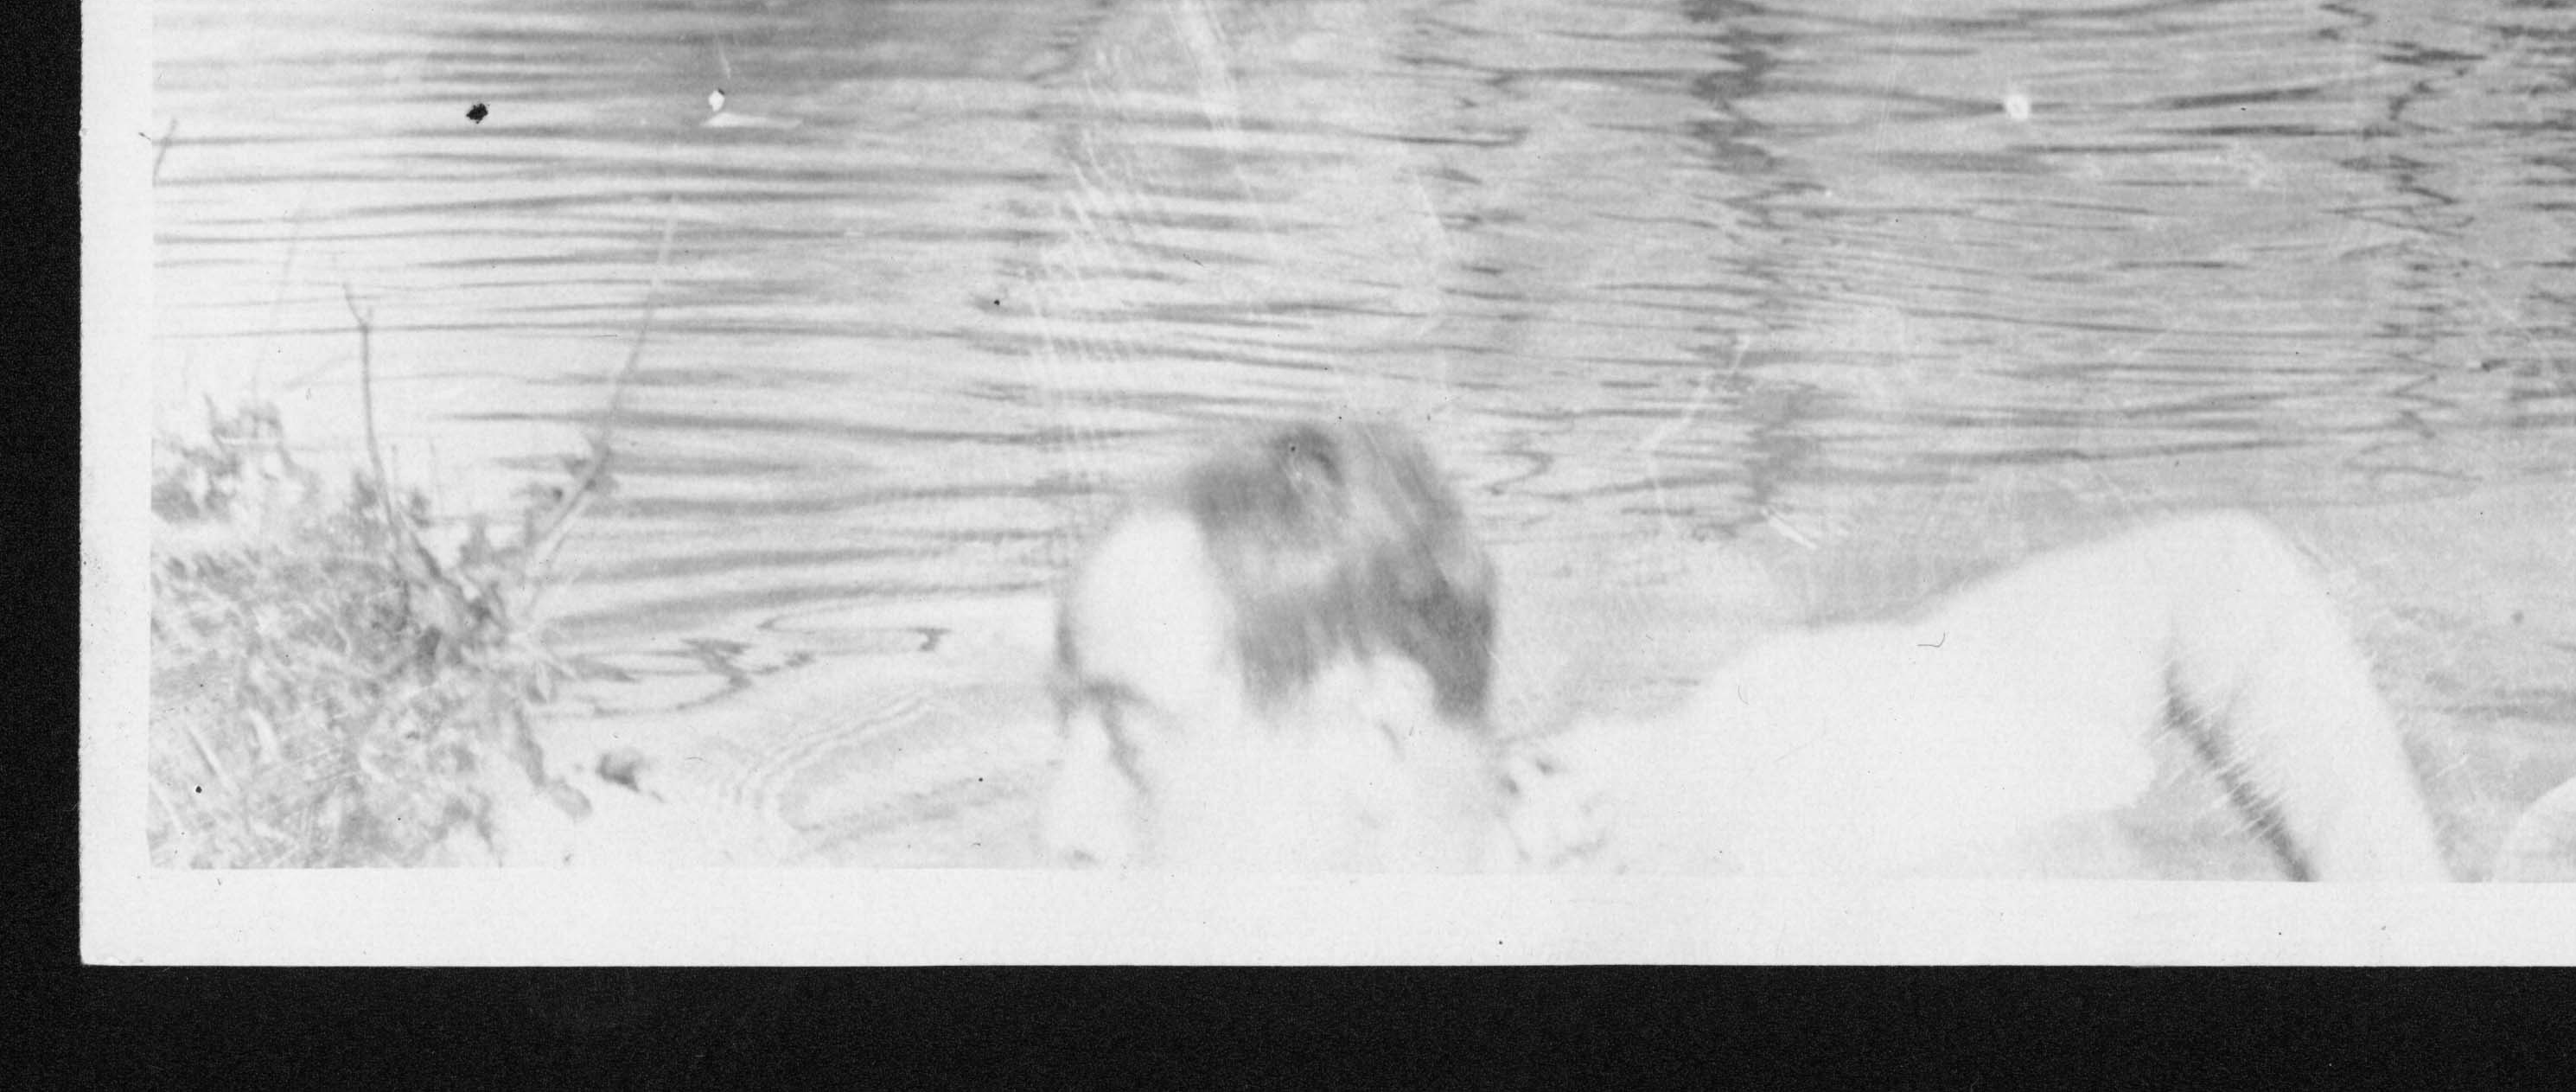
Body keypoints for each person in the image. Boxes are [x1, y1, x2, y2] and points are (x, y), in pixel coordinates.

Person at [1041, 421, 2449, 879]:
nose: (1062, 827)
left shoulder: (1790, 791)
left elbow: (2213, 586)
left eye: (1126, 740)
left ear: (1371, 736)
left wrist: (2425, 972)